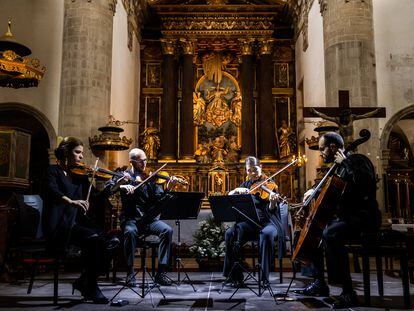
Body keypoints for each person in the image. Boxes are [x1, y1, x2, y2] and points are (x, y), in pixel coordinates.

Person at [297, 132, 381, 308]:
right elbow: (331, 187)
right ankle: (320, 283)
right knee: (317, 233)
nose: (321, 153)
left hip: (364, 218)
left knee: (331, 233)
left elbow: (365, 183)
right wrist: (314, 191)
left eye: (322, 149)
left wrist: (345, 162)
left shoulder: (357, 160)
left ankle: (348, 292)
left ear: (333, 147)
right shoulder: (337, 168)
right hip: (348, 218)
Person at [42, 137, 118, 304]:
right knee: (94, 240)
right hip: (60, 225)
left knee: (112, 242)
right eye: (78, 152)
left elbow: (95, 199)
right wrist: (71, 201)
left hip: (77, 224)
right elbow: (51, 191)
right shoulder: (52, 172)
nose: (81, 157)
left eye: (82, 153)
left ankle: (85, 281)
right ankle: (91, 287)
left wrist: (111, 187)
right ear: (65, 153)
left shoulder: (79, 176)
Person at [105, 148, 180, 287]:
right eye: (141, 161)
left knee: (167, 230)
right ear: (131, 162)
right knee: (130, 232)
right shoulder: (123, 175)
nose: (144, 164)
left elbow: (159, 199)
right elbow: (109, 188)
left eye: (145, 160)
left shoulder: (150, 178)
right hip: (130, 219)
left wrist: (168, 188)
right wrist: (122, 185)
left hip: (148, 220)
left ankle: (161, 272)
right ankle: (130, 272)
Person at [223, 156, 285, 286]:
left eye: (255, 170)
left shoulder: (270, 184)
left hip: (269, 222)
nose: (252, 173)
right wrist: (235, 191)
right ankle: (235, 276)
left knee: (266, 234)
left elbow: (272, 210)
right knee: (230, 233)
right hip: (251, 224)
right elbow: (229, 198)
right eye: (249, 170)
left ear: (261, 167)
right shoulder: (246, 185)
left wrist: (273, 202)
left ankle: (264, 278)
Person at [310, 107, 381, 146]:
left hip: (351, 141)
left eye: (347, 116)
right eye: (344, 117)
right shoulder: (338, 120)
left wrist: (375, 112)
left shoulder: (352, 117)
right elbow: (325, 117)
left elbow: (365, 116)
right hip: (342, 142)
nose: (346, 118)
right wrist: (315, 112)